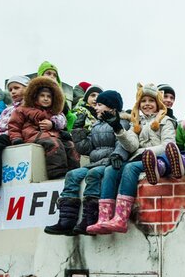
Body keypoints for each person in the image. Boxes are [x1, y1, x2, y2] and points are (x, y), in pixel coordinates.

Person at [87, 84, 177, 235]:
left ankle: (121, 218)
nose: (147, 104)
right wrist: (118, 129)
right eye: (143, 101)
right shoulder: (137, 122)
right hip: (137, 158)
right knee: (110, 169)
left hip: (155, 159)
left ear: (157, 104)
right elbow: (131, 145)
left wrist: (144, 152)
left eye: (151, 101)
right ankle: (104, 217)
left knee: (130, 168)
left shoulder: (166, 121)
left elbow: (168, 145)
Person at [44, 90, 131, 235]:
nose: (95, 107)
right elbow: (86, 148)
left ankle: (89, 219)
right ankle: (66, 220)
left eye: (100, 104)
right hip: (95, 162)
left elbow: (122, 144)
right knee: (72, 175)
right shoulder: (96, 126)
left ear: (112, 108)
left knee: (93, 174)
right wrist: (78, 130)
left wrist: (117, 155)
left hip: (109, 163)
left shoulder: (122, 123)